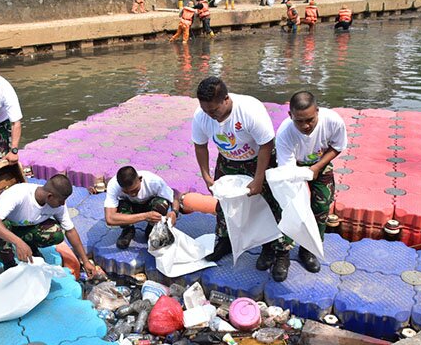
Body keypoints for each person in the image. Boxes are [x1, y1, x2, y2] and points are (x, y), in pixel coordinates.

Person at [191, 77, 282, 268]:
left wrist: (258, 179)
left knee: (266, 203)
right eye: (206, 111)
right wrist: (206, 176)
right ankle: (224, 240)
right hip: (228, 160)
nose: (210, 115)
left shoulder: (250, 110)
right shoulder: (202, 115)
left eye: (214, 110)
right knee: (224, 202)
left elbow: (266, 145)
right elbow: (200, 146)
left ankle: (269, 247)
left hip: (258, 159)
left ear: (225, 99)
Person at [275, 91, 347, 278]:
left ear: (318, 111)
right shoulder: (284, 133)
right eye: (299, 121)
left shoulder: (333, 121)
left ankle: (309, 248)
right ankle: (282, 252)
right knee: (289, 207)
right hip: (293, 167)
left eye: (310, 120)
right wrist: (302, 178)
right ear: (290, 116)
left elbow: (337, 147)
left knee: (322, 205)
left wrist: (316, 167)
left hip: (320, 163)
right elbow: (287, 168)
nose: (306, 126)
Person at [0, 174, 96, 275]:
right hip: (4, 228)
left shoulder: (58, 205)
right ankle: (9, 265)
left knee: (55, 233)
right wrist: (19, 243)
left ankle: (31, 247)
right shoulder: (19, 193)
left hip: (24, 229)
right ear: (50, 196)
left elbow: (70, 231)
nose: (63, 204)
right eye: (61, 200)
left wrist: (85, 261)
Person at [104, 166, 180, 249]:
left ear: (140, 179)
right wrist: (145, 216)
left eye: (134, 190)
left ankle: (151, 229)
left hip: (149, 204)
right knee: (119, 207)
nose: (132, 194)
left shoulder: (154, 181)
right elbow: (110, 219)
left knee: (162, 203)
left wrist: (174, 212)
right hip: (130, 207)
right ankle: (128, 230)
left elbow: (173, 197)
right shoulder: (113, 185)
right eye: (126, 192)